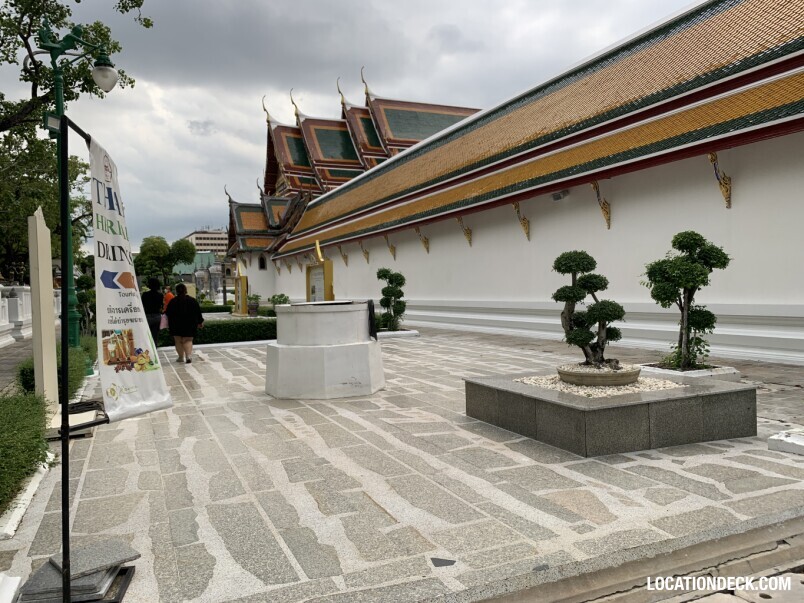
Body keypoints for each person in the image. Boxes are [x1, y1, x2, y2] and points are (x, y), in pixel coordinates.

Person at [164, 283, 204, 363]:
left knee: (178, 341)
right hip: (189, 324)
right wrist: (200, 322)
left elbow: (167, 313)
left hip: (175, 325)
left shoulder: (173, 301)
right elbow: (198, 312)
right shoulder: (192, 301)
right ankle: (188, 356)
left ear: (176, 291)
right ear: (186, 290)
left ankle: (181, 357)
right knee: (188, 340)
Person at [141, 277, 164, 344]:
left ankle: (148, 347)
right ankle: (155, 347)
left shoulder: (145, 295)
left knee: (147, 334)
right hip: (156, 315)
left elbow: (143, 305)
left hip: (147, 315)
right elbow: (160, 305)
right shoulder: (160, 295)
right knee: (155, 334)